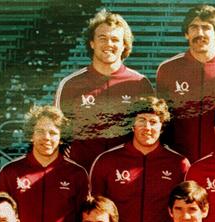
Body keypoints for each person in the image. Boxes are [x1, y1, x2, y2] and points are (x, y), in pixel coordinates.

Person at [90, 96, 190, 222]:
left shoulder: (179, 164)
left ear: (162, 127)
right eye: (142, 120)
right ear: (133, 125)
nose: (147, 127)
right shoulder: (107, 161)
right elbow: (93, 212)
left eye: (153, 122)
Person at [55, 9, 153, 171]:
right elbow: (58, 133)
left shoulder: (140, 83)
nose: (109, 44)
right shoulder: (71, 84)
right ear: (92, 43)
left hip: (125, 174)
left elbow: (151, 134)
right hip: (83, 172)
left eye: (115, 39)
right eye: (102, 38)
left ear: (124, 46)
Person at [156, 4, 215, 163]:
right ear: (186, 33)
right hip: (177, 162)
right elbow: (160, 120)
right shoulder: (167, 69)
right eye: (194, 27)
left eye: (206, 27)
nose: (199, 33)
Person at [0, 105, 89, 222]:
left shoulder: (76, 174)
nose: (46, 137)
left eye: (53, 133)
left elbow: (85, 219)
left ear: (61, 137)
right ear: (31, 135)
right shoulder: (10, 172)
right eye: (40, 131)